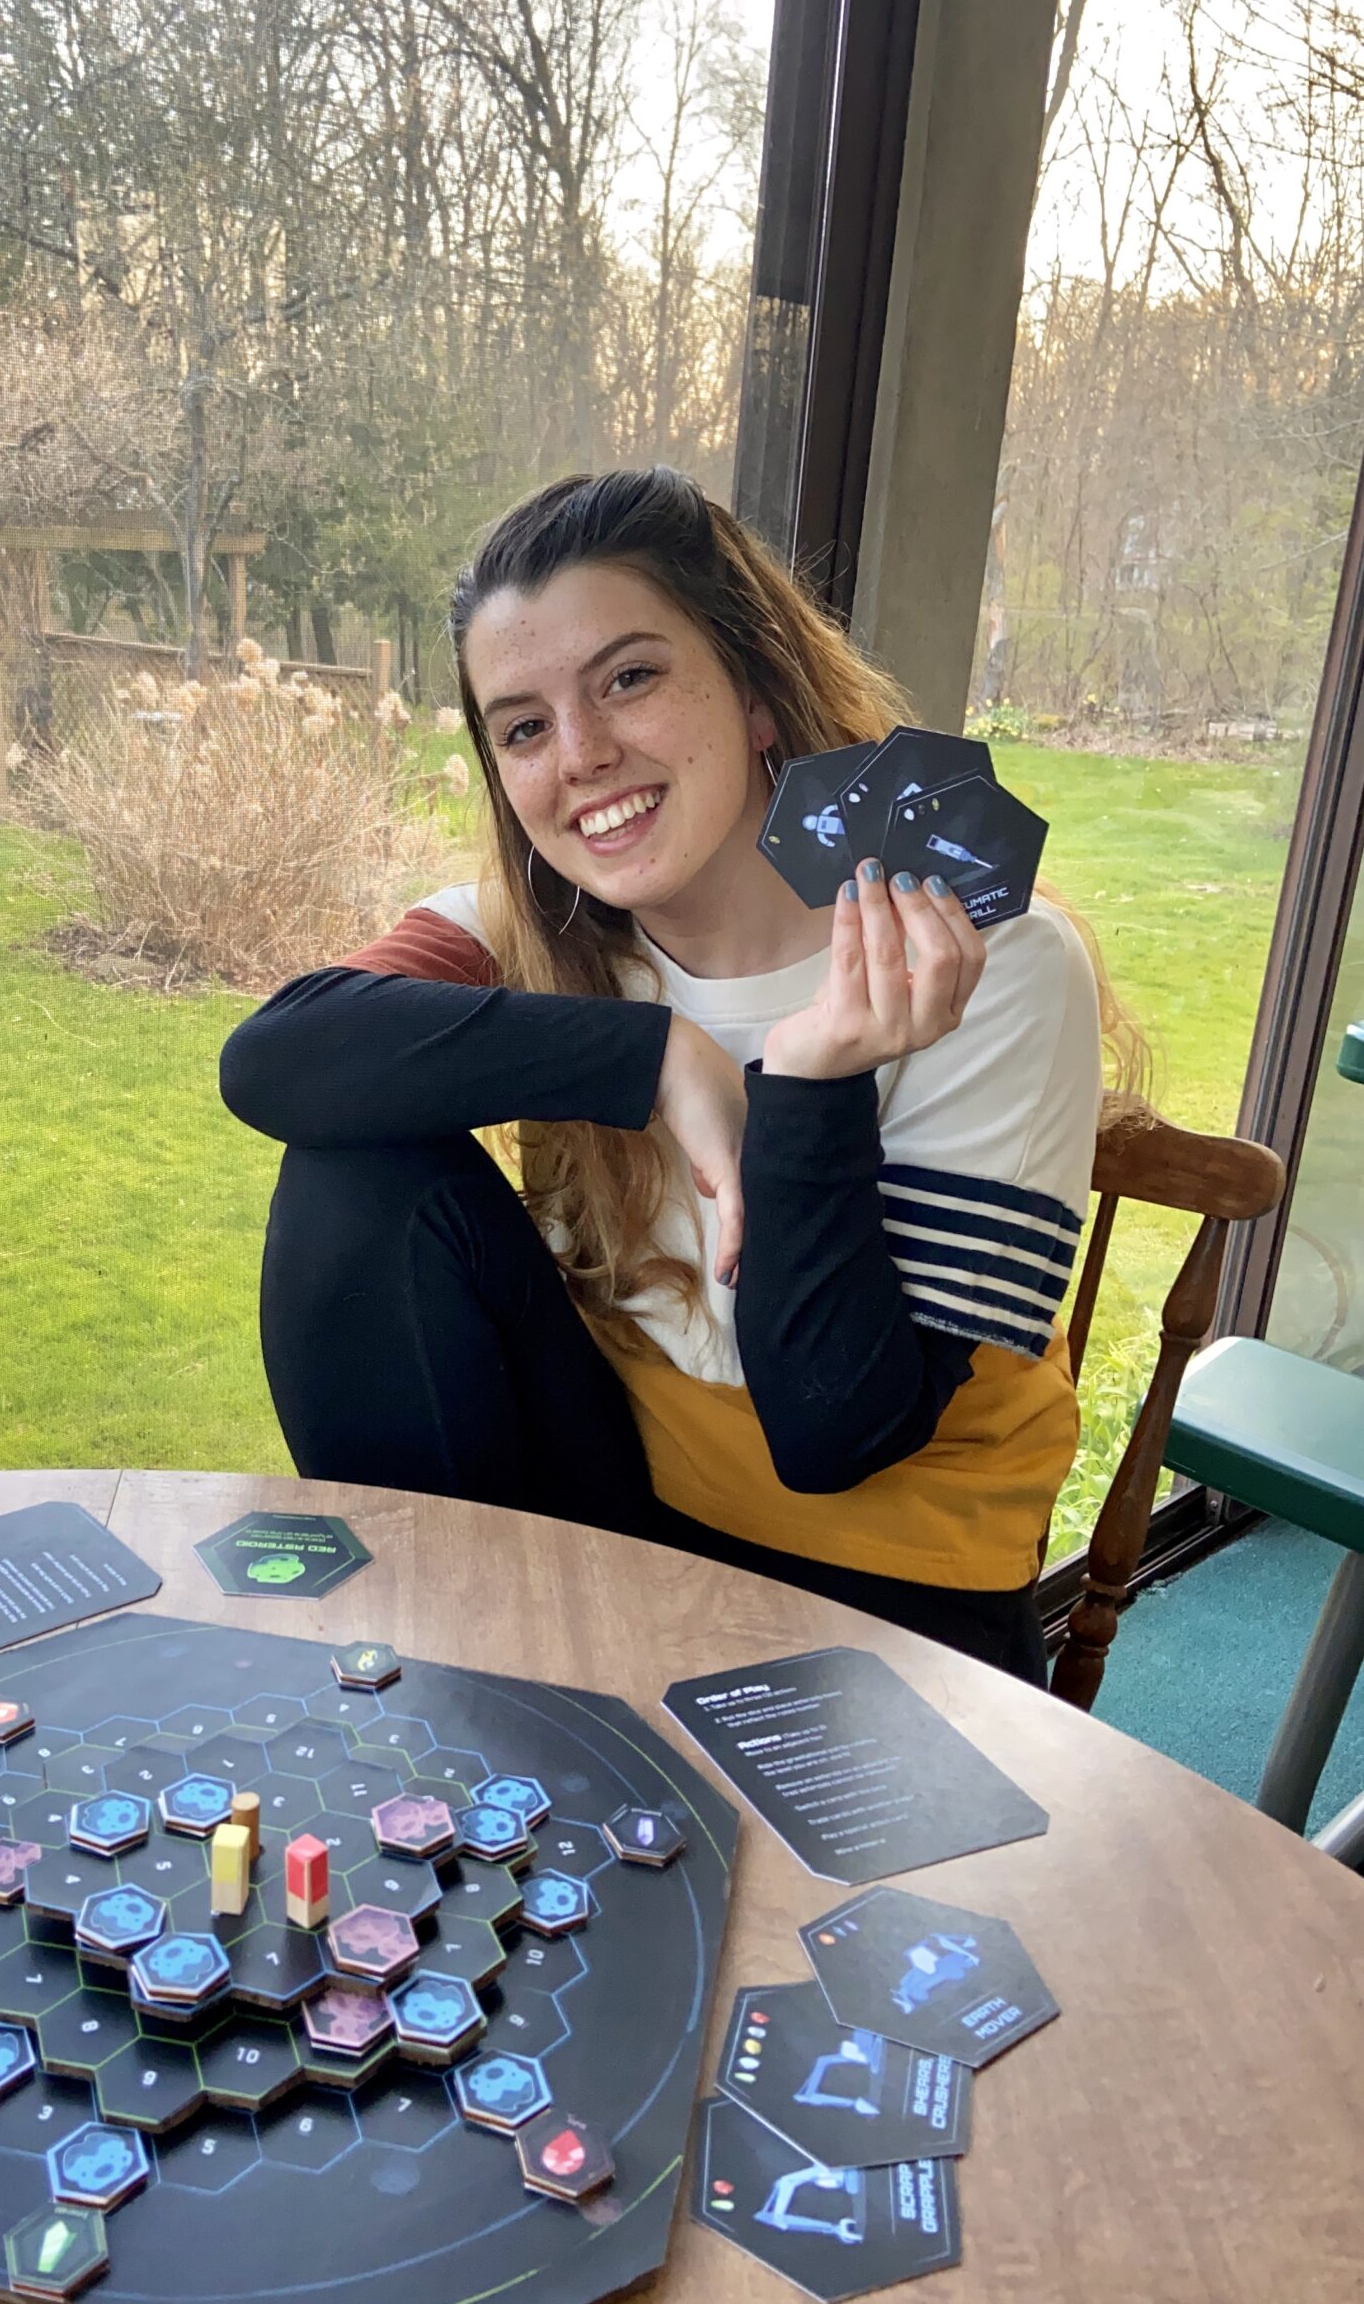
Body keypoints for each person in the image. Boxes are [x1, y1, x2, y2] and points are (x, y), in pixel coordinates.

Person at [219, 468, 1128, 1682]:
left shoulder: (971, 958)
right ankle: (425, 1661)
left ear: (754, 689)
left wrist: (805, 1081)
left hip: (884, 1594)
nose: (582, 755)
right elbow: (274, 1056)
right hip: (618, 1509)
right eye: (525, 726)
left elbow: (834, 1433)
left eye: (629, 678)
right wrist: (654, 1057)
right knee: (355, 1178)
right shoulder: (539, 928)